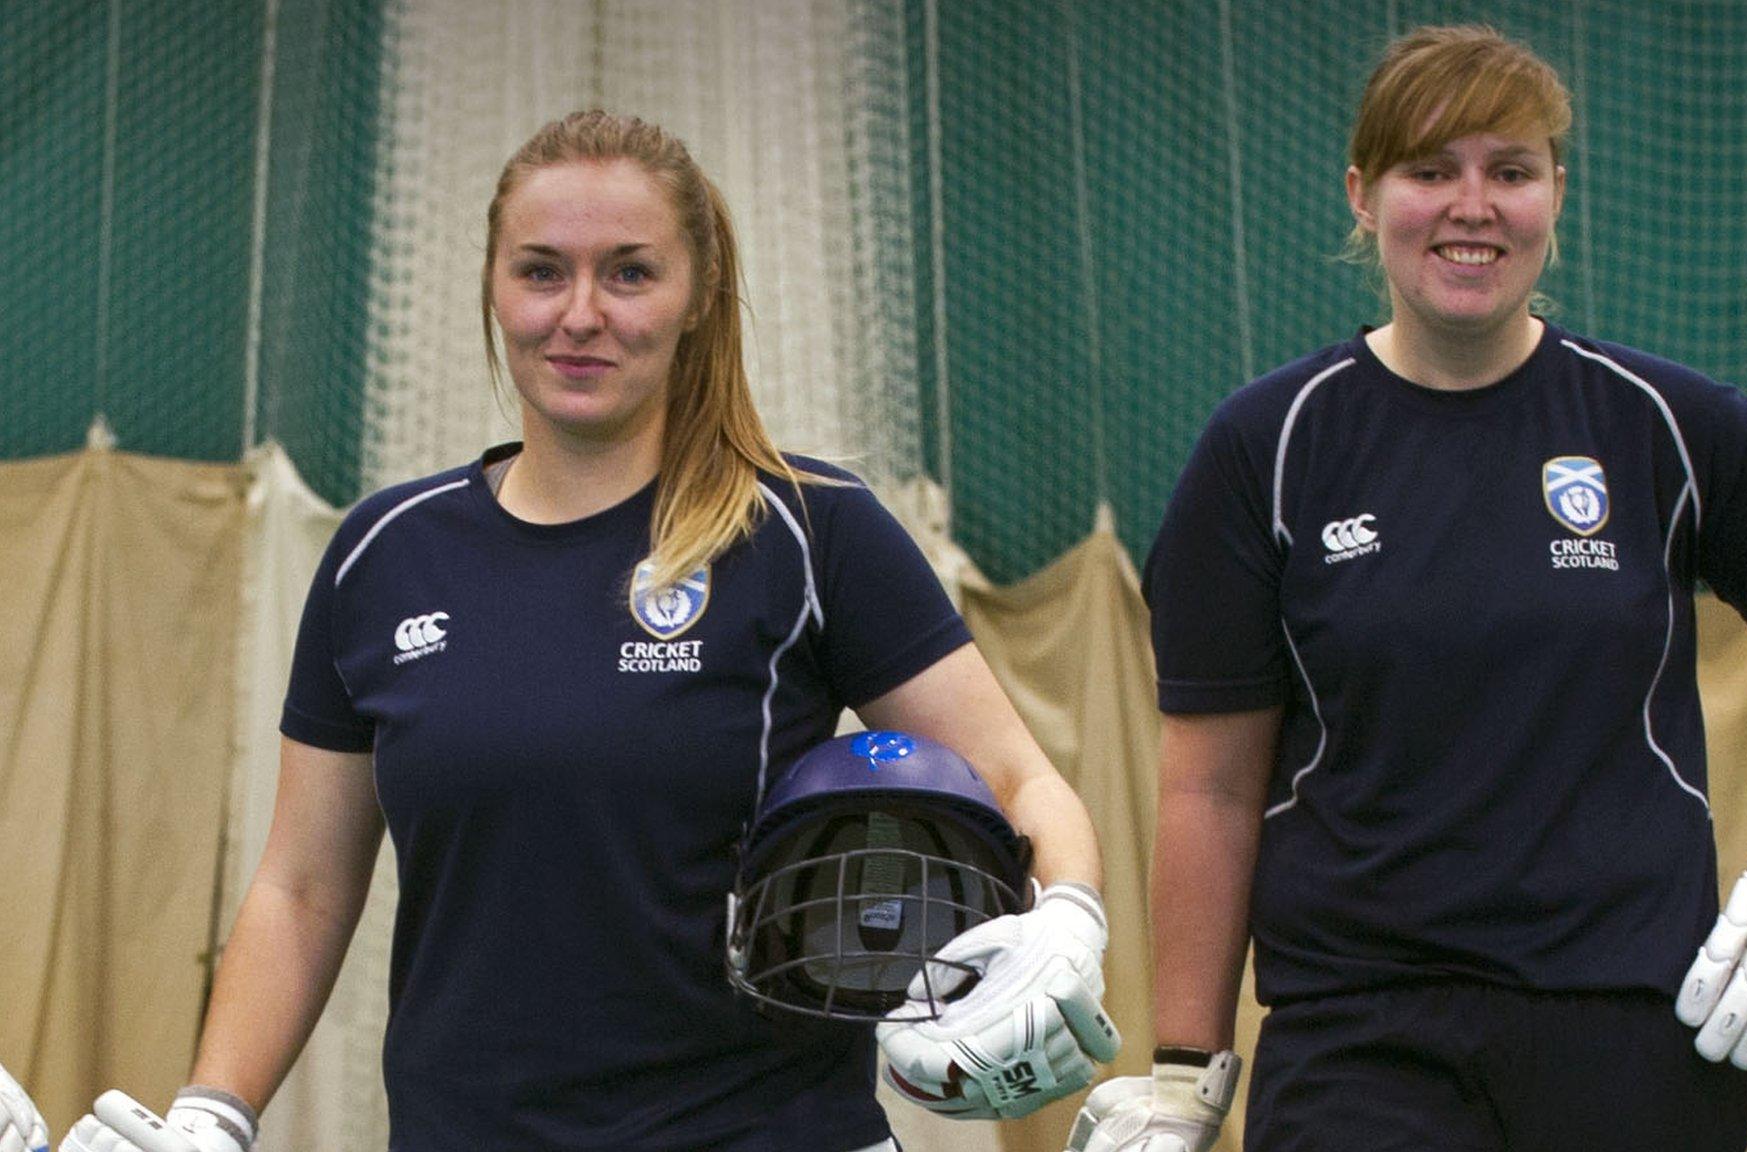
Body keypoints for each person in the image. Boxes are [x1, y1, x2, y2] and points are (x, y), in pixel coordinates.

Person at [38, 109, 1115, 1152]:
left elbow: (1019, 782)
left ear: (698, 298)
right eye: (542, 270)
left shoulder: (806, 528)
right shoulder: (384, 554)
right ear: (494, 290)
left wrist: (1067, 922)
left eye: (630, 272)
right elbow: (301, 889)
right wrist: (211, 1115)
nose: (581, 313)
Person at [1067, 24, 1747, 1152]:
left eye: (1508, 172)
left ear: (1553, 195)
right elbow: (1209, 791)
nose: (1471, 206)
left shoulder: (1666, 424)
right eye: (1430, 171)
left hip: (1632, 1032)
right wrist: (1182, 1070)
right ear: (1362, 195)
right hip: (1357, 1036)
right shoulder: (1264, 446)